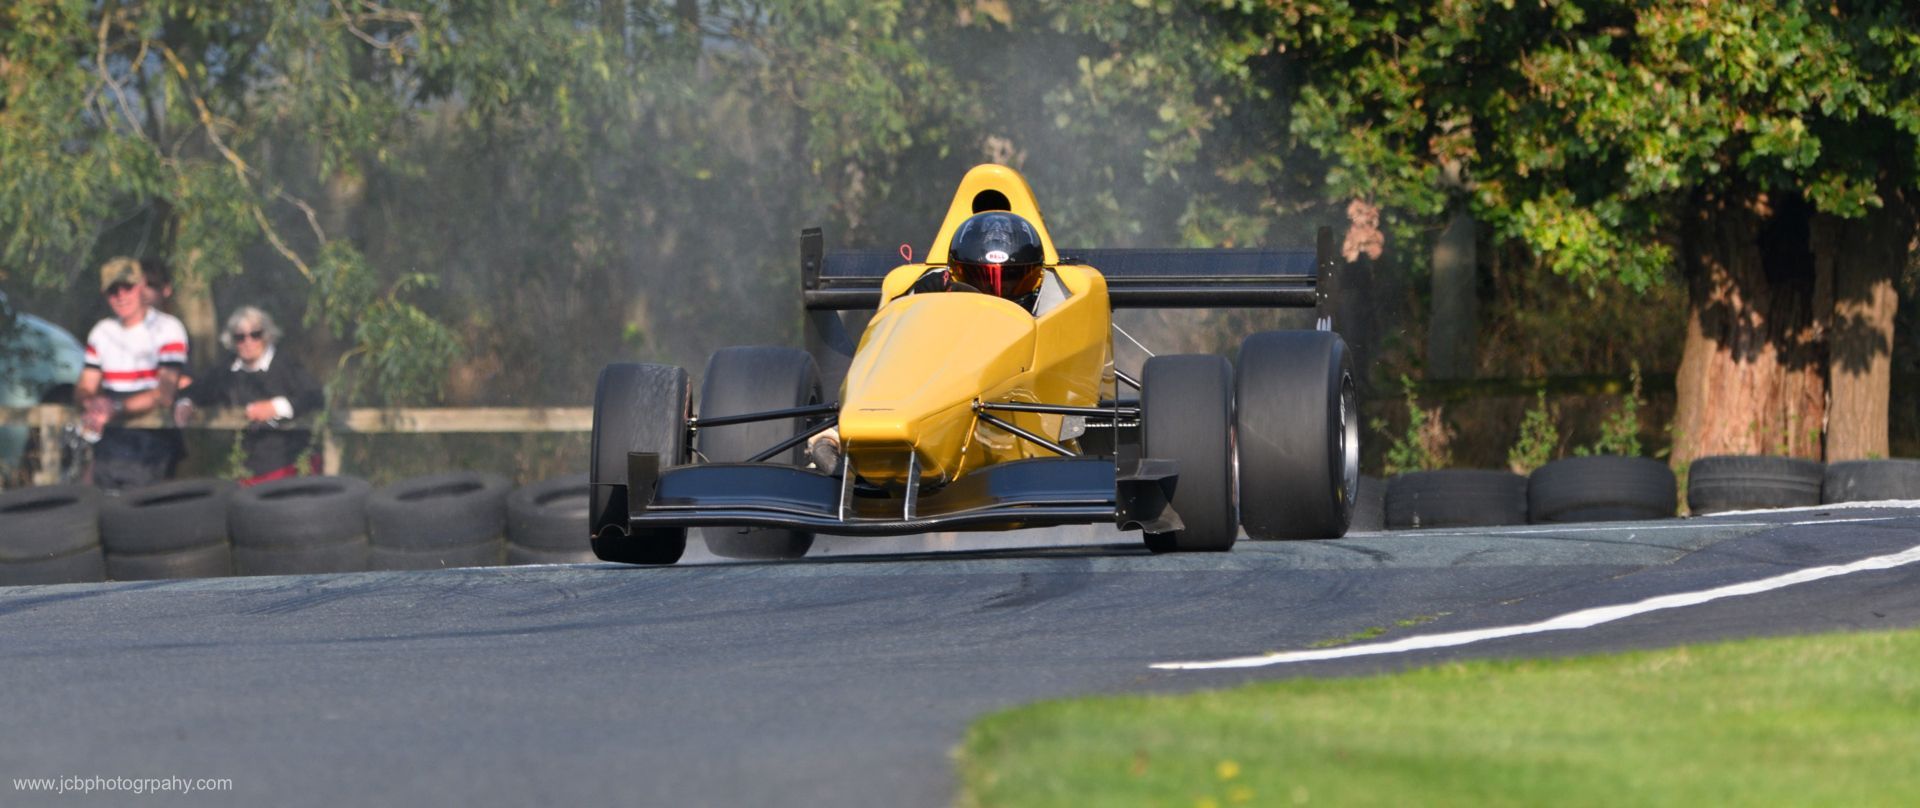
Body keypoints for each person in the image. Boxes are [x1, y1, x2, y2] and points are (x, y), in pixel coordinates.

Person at [176, 306, 324, 486]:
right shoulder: (227, 370)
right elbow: (197, 390)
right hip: (249, 469)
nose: (248, 342)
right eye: (240, 337)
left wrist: (276, 407)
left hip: (292, 464)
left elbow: (315, 396)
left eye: (255, 334)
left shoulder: (286, 365)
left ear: (267, 335)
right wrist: (186, 402)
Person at [76, 257, 189, 490]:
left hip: (153, 444)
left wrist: (114, 409)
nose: (121, 296)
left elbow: (163, 395)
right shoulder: (101, 332)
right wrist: (91, 402)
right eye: (113, 290)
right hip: (110, 445)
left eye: (127, 287)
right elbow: (86, 385)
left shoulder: (168, 329)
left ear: (141, 286)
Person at [905, 211, 1068, 314]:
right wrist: (922, 300)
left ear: (1039, 276)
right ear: (954, 274)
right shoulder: (935, 292)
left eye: (1010, 276)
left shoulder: (1060, 307)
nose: (998, 288)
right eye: (981, 278)